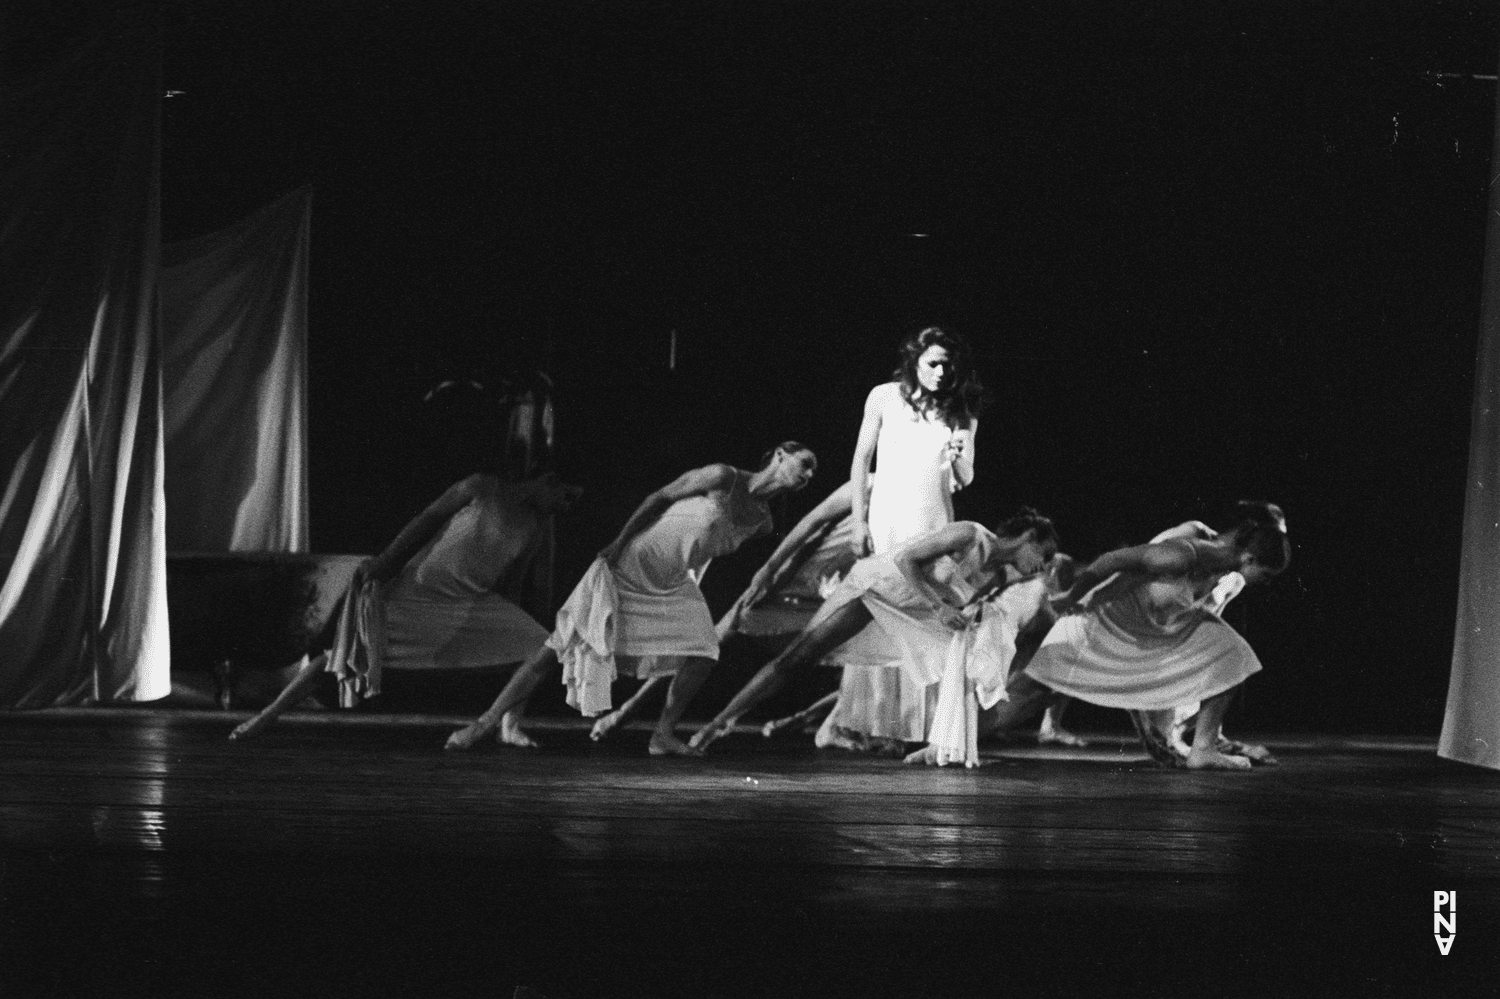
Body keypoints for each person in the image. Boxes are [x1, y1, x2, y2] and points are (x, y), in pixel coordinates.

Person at [445, 443, 818, 756]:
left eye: (812, 474)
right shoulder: (723, 476)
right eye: (804, 465)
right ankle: (484, 723)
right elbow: (658, 499)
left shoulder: (763, 521)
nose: (807, 476)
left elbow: (705, 550)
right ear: (781, 456)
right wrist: (619, 542)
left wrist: (692, 590)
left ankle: (663, 734)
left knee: (704, 651)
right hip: (631, 564)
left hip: (673, 581)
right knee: (558, 646)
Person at [909, 502, 1290, 771]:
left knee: (1230, 651)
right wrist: (1072, 599)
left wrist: (1178, 735)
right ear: (1250, 556)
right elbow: (1111, 562)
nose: (1267, 585)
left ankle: (1204, 749)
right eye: (1268, 575)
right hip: (1100, 623)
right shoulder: (1183, 551)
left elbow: (1197, 657)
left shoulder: (1225, 576)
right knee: (1033, 693)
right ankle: (946, 740)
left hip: (1148, 636)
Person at [229, 471, 583, 742]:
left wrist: (507, 621)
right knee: (343, 657)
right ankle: (269, 714)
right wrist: (386, 562)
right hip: (419, 591)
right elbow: (426, 520)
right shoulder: (482, 487)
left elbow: (515, 580)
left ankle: (503, 723)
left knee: (543, 644)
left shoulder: (537, 527)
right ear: (548, 482)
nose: (566, 508)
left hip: (468, 602)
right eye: (566, 497)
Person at [689, 509, 1059, 757]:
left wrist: (965, 618)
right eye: (1043, 554)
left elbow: (958, 603)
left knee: (964, 660)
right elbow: (905, 559)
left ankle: (942, 745)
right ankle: (718, 723)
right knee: (798, 658)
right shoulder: (970, 534)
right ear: (1028, 535)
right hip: (879, 590)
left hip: (910, 612)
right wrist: (939, 607)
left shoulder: (999, 576)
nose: (1041, 567)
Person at [584, 478, 867, 743]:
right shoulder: (867, 482)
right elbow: (811, 523)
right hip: (795, 579)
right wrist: (769, 571)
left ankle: (726, 725)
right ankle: (628, 710)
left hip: (835, 592)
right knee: (708, 645)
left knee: (824, 659)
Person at [819, 326, 985, 752]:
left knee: (921, 614)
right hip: (888, 516)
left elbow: (965, 478)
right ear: (914, 361)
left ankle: (914, 729)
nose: (942, 372)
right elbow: (861, 459)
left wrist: (958, 455)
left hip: (932, 520)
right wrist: (859, 521)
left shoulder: (960, 411)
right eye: (933, 363)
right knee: (877, 610)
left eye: (949, 365)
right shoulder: (883, 396)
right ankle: (859, 723)